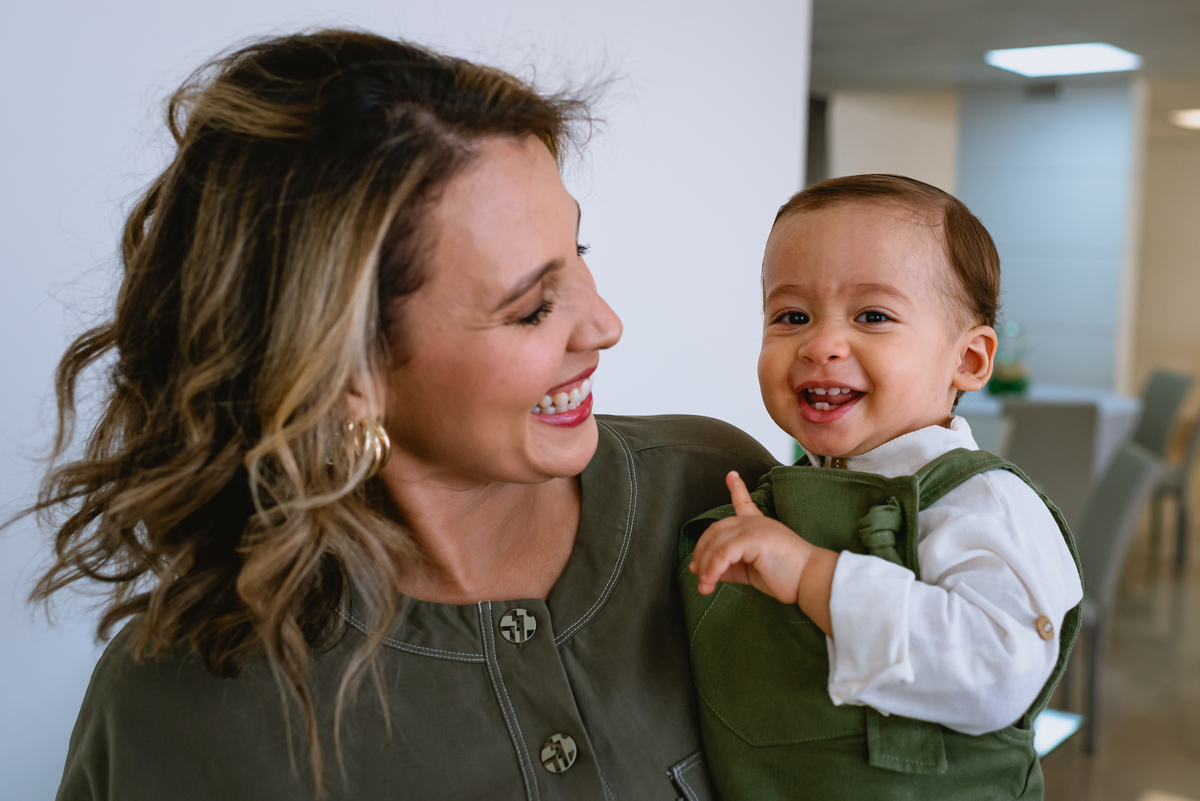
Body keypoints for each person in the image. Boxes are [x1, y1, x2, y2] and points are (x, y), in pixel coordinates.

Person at [30, 30, 777, 800]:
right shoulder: (174, 708)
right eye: (531, 307)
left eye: (579, 251)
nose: (605, 325)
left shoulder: (718, 496)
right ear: (341, 369)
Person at [681, 175, 1085, 800]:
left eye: (873, 316)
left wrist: (812, 575)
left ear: (969, 361)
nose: (820, 344)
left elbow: (997, 672)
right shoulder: (777, 496)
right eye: (792, 316)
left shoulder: (982, 502)